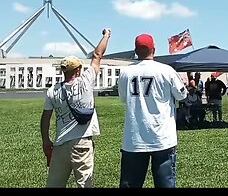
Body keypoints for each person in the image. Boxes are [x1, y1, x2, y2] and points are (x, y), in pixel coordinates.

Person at [40, 28, 111, 188]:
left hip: (60, 145)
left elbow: (45, 119)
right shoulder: (86, 82)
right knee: (85, 184)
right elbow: (97, 55)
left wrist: (46, 141)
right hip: (82, 144)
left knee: (54, 185)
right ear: (78, 69)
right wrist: (106, 36)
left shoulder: (53, 90)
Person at [117, 33, 187, 188]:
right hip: (162, 137)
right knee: (165, 183)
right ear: (153, 49)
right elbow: (181, 95)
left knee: (130, 184)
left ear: (136, 51)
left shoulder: (125, 72)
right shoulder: (166, 70)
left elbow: (123, 99)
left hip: (134, 139)